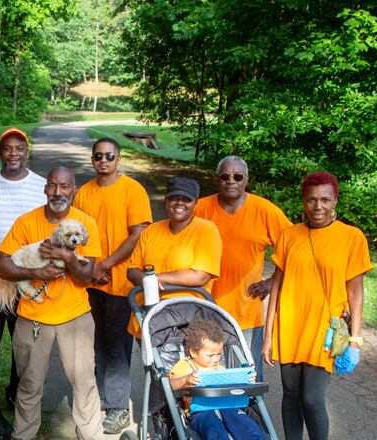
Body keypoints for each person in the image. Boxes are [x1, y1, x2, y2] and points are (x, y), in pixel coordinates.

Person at [0, 166, 103, 440]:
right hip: (33, 317)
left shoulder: (85, 224)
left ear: (74, 190)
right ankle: (24, 435)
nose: (57, 192)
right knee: (29, 383)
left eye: (64, 186)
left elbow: (86, 276)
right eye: (52, 185)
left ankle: (91, 434)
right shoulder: (26, 222)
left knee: (84, 382)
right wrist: (35, 273)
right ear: (44, 189)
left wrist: (65, 256)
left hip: (75, 316)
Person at [263, 171, 371, 440]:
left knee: (311, 399)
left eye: (325, 199)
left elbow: (355, 292)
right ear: (303, 201)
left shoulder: (351, 237)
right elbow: (276, 286)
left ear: (335, 200)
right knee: (290, 395)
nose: (318, 206)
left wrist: (355, 340)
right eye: (311, 200)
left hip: (324, 330)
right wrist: (268, 336)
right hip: (289, 326)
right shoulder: (289, 235)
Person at [73, 137, 152, 434]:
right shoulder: (83, 193)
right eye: (98, 156)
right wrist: (92, 269)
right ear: (92, 160)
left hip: (120, 284)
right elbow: (77, 235)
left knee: (117, 347)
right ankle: (101, 402)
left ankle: (118, 408)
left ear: (118, 159)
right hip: (90, 283)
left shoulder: (133, 190)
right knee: (95, 345)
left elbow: (137, 235)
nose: (103, 161)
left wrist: (104, 265)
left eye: (109, 156)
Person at [0, 127, 44, 434]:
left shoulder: (41, 185)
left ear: (27, 151)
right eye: (7, 148)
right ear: (0, 152)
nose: (13, 153)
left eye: (19, 148)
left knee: (22, 342)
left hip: (24, 278)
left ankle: (16, 392)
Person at [195, 156, 291, 380]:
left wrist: (271, 282)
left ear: (246, 180)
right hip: (204, 306)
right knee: (207, 374)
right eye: (225, 176)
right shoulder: (201, 208)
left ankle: (251, 416)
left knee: (246, 375)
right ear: (216, 179)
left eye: (238, 177)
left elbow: (294, 247)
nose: (231, 181)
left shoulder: (264, 210)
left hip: (246, 309)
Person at [127, 177, 222, 338]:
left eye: (186, 199)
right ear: (166, 201)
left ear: (195, 204)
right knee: (153, 362)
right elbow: (131, 270)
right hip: (149, 315)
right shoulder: (151, 231)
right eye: (174, 198)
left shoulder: (206, 230)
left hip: (188, 320)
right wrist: (151, 282)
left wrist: (156, 279)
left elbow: (200, 276)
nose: (179, 203)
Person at [169, 320, 266, 440]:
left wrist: (247, 380)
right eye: (211, 355)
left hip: (227, 407)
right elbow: (170, 385)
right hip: (199, 412)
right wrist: (186, 379)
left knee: (247, 426)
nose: (216, 359)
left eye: (219, 354)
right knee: (214, 430)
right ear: (193, 352)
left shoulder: (219, 369)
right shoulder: (185, 366)